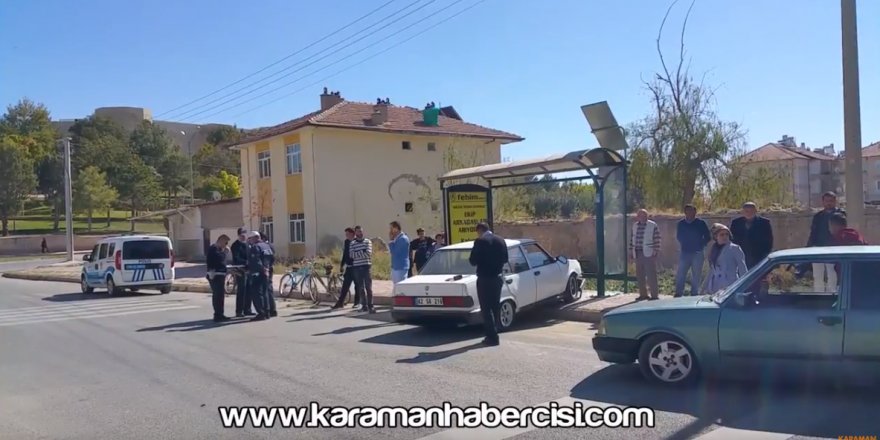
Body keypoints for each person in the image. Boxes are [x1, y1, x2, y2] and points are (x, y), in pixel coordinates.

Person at [468, 223, 508, 346]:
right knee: (495, 307)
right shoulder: (501, 240)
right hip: (497, 278)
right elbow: (505, 259)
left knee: (486, 309)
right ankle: (494, 332)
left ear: (479, 230)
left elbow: (473, 261)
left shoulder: (480, 242)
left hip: (485, 278)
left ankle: (492, 337)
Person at [806, 192, 846, 292]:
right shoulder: (818, 216)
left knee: (831, 273)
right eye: (826, 201)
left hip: (833, 248)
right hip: (818, 248)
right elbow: (813, 233)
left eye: (831, 201)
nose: (829, 203)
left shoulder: (840, 215)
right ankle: (819, 296)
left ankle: (831, 295)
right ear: (823, 202)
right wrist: (809, 247)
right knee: (817, 275)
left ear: (835, 201)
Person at [674, 205, 711, 297]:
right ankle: (679, 293)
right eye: (688, 211)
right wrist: (685, 243)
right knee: (681, 273)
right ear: (685, 212)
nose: (690, 213)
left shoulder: (701, 223)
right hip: (685, 252)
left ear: (695, 212)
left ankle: (694, 293)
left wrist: (700, 244)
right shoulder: (681, 223)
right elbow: (679, 236)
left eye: (692, 211)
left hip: (698, 253)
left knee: (696, 274)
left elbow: (708, 236)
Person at [702, 224, 748, 295]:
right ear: (715, 236)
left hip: (730, 284)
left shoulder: (734, 248)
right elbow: (712, 270)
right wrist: (704, 287)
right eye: (722, 235)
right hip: (715, 285)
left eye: (727, 234)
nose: (725, 237)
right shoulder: (713, 249)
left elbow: (742, 268)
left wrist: (745, 285)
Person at [729, 202, 774, 269]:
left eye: (751, 211)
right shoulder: (736, 223)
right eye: (746, 211)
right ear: (743, 212)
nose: (749, 213)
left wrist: (765, 256)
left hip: (758, 257)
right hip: (741, 256)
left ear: (756, 211)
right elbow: (731, 239)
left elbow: (769, 241)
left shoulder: (764, 223)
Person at [631, 209, 661, 301]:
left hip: (649, 253)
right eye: (640, 215)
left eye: (644, 215)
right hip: (638, 252)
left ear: (647, 216)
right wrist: (630, 251)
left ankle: (654, 295)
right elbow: (632, 239)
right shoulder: (635, 226)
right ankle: (643, 294)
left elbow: (657, 238)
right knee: (640, 275)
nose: (642, 217)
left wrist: (656, 251)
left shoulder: (652, 225)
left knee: (651, 275)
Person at [246, 231, 276, 321]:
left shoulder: (255, 247)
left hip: (258, 273)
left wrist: (262, 269)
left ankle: (261, 313)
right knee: (265, 292)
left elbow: (256, 260)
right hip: (267, 272)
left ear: (254, 238)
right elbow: (272, 258)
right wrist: (268, 268)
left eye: (250, 239)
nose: (250, 241)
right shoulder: (266, 246)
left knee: (257, 293)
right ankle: (267, 312)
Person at [350, 226, 375, 313]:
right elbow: (352, 255)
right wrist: (362, 251)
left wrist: (358, 253)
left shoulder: (368, 241)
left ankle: (371, 306)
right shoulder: (352, 243)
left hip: (366, 266)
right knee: (360, 288)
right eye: (358, 231)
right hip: (357, 267)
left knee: (368, 287)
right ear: (355, 233)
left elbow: (368, 253)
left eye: (361, 231)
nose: (360, 233)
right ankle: (364, 306)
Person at [206, 234, 231, 322]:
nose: (226, 245)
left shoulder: (219, 249)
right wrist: (225, 252)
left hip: (220, 274)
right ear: (221, 241)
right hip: (215, 275)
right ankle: (218, 314)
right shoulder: (213, 249)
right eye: (225, 243)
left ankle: (220, 313)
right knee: (218, 295)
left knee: (220, 295)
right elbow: (219, 260)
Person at [331, 227, 357, 310]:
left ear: (352, 234)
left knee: (358, 286)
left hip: (356, 267)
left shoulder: (357, 242)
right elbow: (345, 254)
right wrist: (342, 265)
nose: (346, 236)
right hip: (349, 267)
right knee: (345, 285)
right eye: (346, 234)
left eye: (348, 234)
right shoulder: (346, 242)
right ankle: (340, 302)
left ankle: (357, 303)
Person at [231, 228, 254, 317]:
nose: (243, 236)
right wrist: (246, 262)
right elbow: (236, 258)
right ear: (238, 235)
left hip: (249, 270)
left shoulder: (248, 244)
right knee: (242, 290)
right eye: (242, 235)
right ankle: (239, 311)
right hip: (240, 270)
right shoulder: (235, 245)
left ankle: (247, 309)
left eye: (245, 234)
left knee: (249, 290)